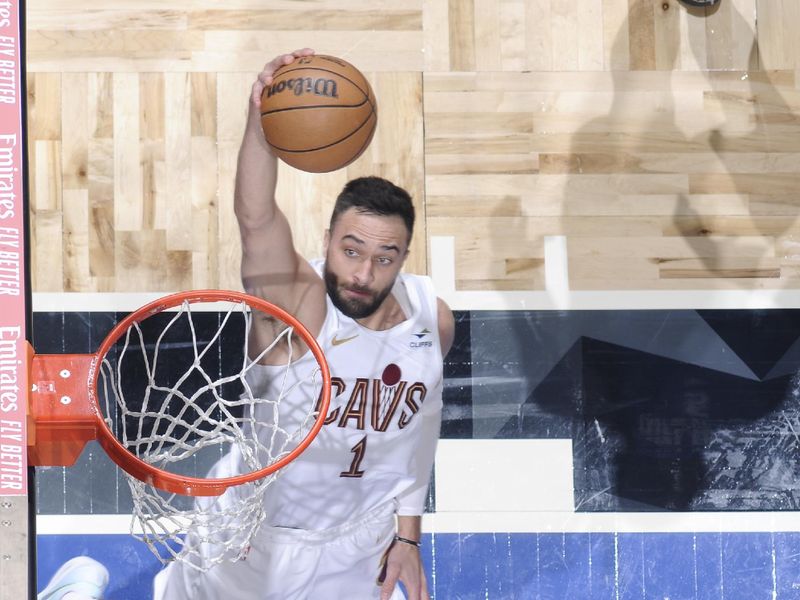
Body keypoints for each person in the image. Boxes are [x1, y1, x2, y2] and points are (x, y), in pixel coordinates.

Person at [153, 48, 454, 600]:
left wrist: (408, 537)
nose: (363, 273)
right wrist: (261, 120)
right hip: (254, 541)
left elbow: (421, 430)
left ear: (405, 256)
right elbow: (256, 216)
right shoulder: (298, 305)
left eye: (384, 257)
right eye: (350, 250)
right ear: (327, 242)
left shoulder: (430, 320)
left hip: (359, 545)